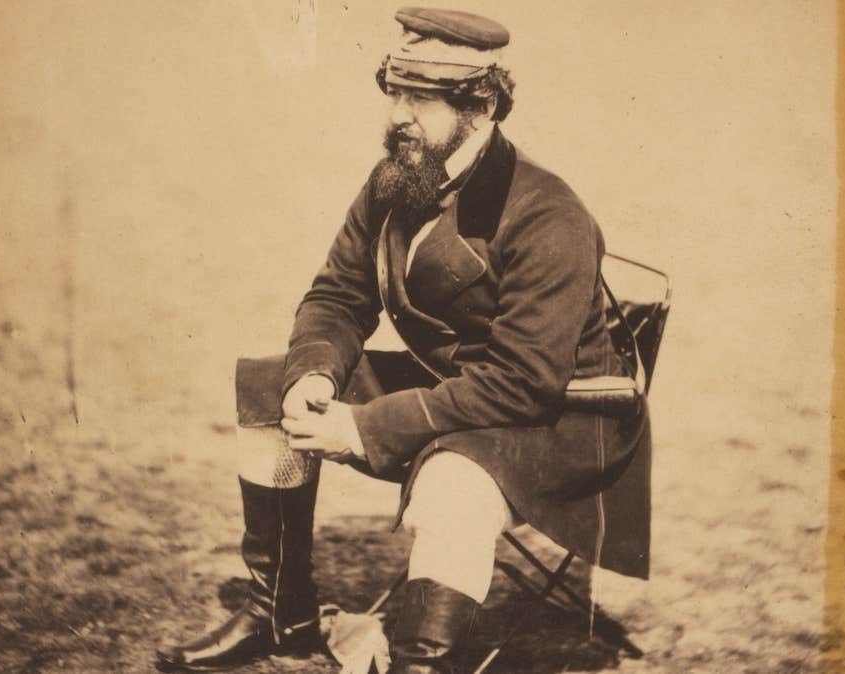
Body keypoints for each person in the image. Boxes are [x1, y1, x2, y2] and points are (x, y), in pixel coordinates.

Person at [156, 7, 651, 673]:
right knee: (270, 384)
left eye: (420, 98)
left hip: (565, 416)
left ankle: (423, 663)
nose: (397, 116)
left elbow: (524, 382)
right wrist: (315, 374)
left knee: (452, 479)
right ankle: (280, 612)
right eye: (394, 92)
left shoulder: (547, 212)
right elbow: (338, 294)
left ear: (481, 106)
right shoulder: (399, 177)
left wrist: (362, 427)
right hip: (466, 391)